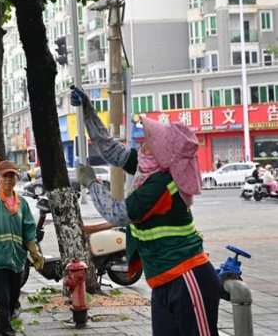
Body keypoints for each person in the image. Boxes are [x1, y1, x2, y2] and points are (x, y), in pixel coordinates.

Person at [71, 85, 220, 336]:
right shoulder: (149, 169)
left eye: (151, 143)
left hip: (187, 276)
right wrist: (88, 112)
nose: (144, 145)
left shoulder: (160, 184)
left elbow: (118, 213)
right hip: (162, 280)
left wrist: (92, 184)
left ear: (164, 153)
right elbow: (111, 150)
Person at [0, 160, 44, 336]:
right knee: (2, 299)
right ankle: (5, 331)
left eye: (12, 176)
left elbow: (28, 229)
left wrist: (34, 252)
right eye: (5, 176)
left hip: (17, 260)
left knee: (12, 300)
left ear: (16, 178)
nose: (8, 179)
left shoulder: (22, 204)